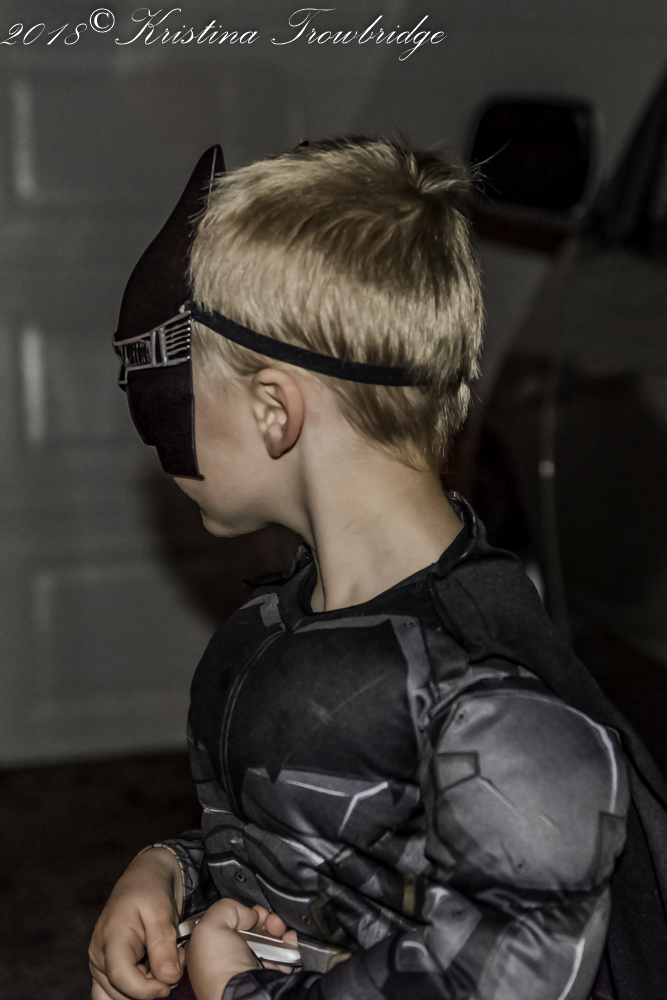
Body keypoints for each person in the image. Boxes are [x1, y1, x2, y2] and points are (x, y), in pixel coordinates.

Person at [90, 136, 667, 1000]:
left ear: (274, 409)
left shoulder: (494, 704)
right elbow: (325, 860)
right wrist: (174, 870)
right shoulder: (285, 625)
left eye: (163, 388)